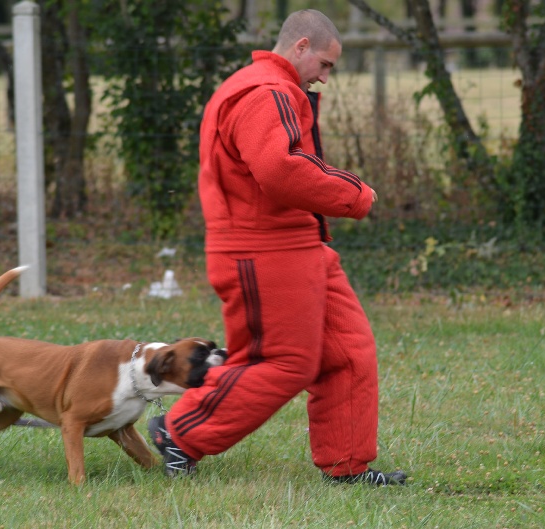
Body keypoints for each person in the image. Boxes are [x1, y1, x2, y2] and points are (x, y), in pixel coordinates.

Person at [148, 9, 407, 486]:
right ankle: (178, 433)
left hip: (297, 245)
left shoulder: (271, 87)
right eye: (326, 65)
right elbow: (281, 170)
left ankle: (347, 466)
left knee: (348, 352)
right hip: (260, 250)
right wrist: (356, 194)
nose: (326, 77)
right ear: (301, 46)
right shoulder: (267, 91)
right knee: (283, 363)